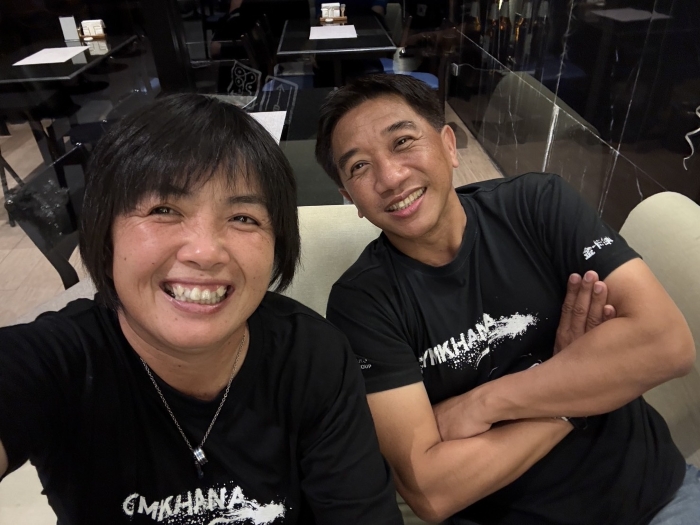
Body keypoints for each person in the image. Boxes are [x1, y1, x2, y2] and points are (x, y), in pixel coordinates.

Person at [0, 94, 403, 525]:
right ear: (106, 232)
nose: (205, 252)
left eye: (243, 218)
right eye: (164, 209)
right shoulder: (57, 362)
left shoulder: (313, 357)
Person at [314, 74, 699, 525]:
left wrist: (483, 403)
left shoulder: (538, 205)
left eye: (402, 142)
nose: (391, 177)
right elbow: (431, 492)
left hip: (658, 497)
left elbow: (667, 345)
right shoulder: (363, 303)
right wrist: (574, 392)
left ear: (449, 145)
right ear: (350, 199)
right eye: (359, 166)